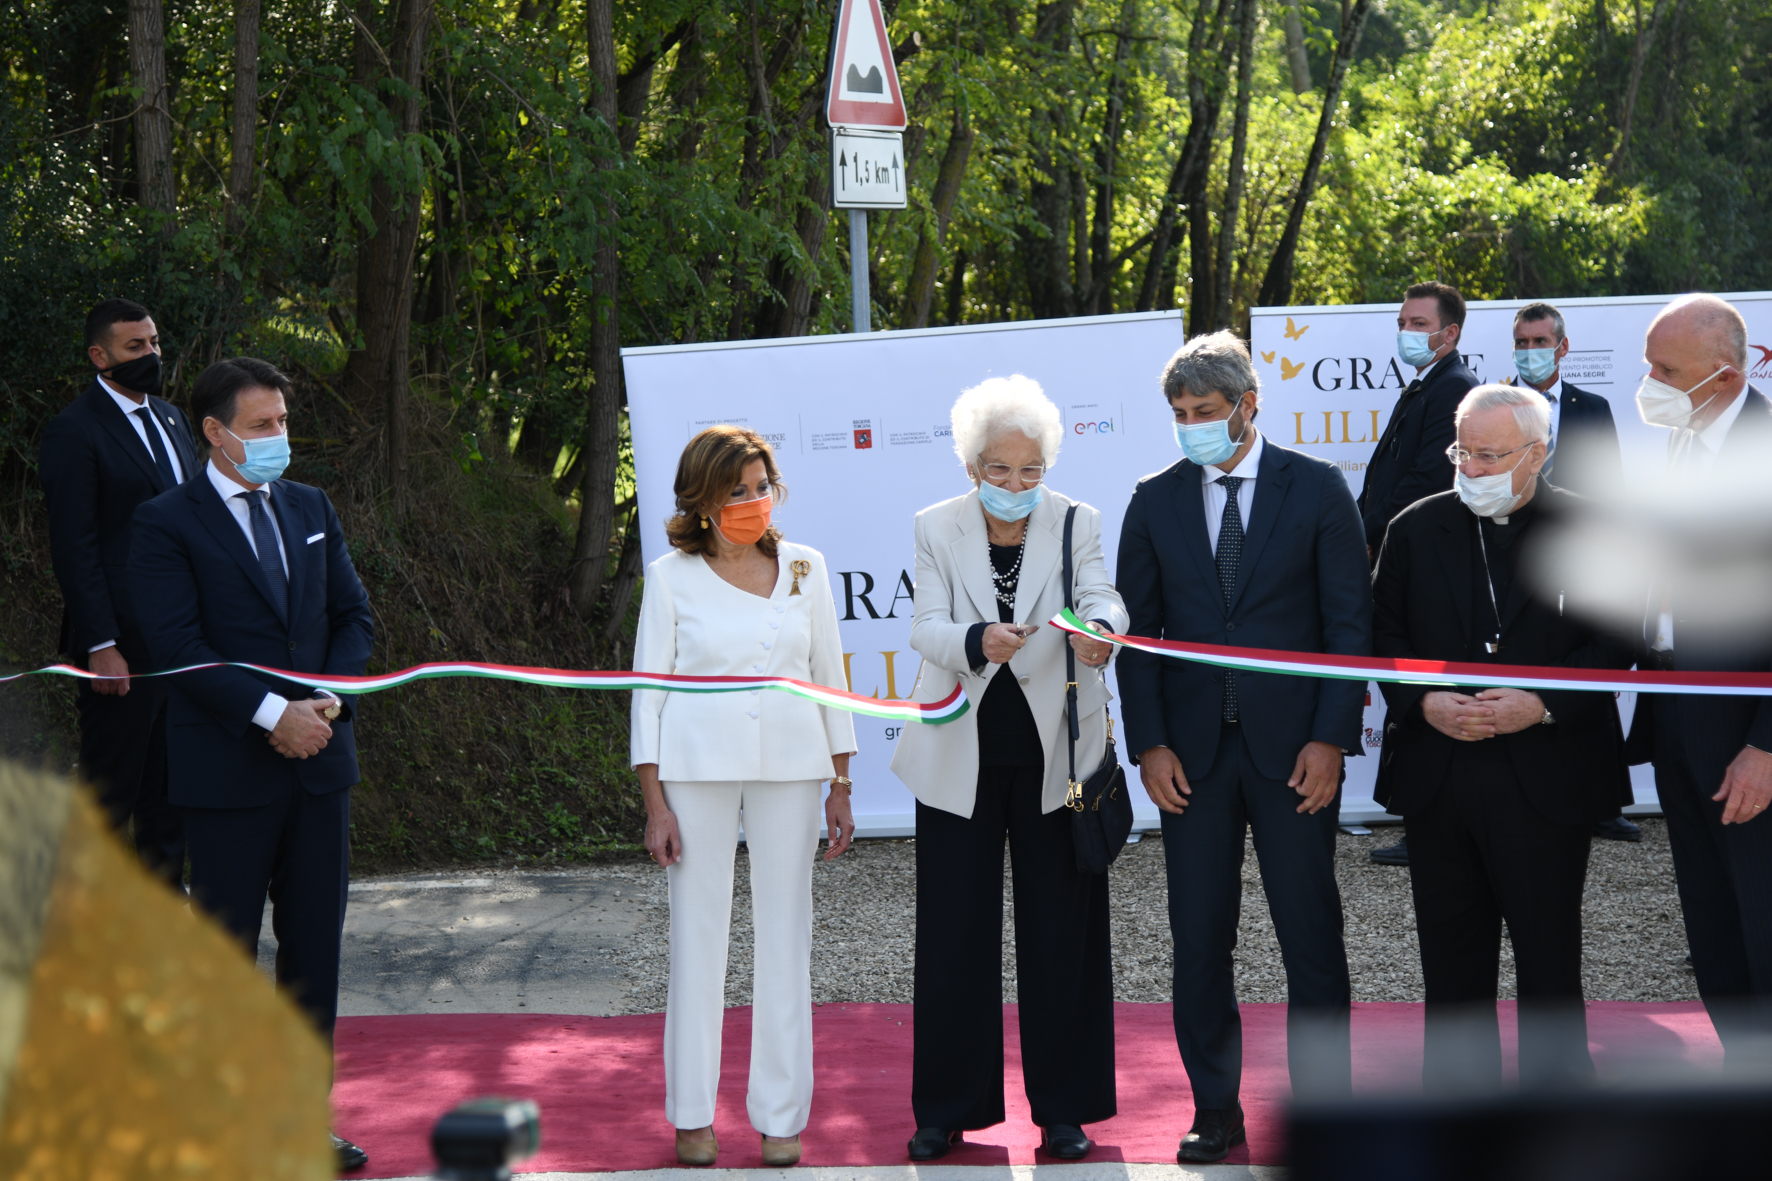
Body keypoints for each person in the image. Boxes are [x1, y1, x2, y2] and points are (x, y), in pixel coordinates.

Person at [1117, 331, 1372, 1162]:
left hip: (1295, 754)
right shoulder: (1153, 499)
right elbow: (1138, 637)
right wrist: (1149, 744)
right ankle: (1215, 1110)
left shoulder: (1318, 486)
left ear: (1248, 405)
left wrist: (1331, 737)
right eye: (1180, 412)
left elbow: (1349, 624)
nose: (1191, 424)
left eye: (1206, 410)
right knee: (1198, 939)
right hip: (1191, 759)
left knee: (1311, 934)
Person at [128, 357, 374, 1172]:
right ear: (214, 431)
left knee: (314, 952)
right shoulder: (166, 522)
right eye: (262, 425)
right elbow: (176, 645)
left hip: (320, 766)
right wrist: (273, 714)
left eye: (283, 422)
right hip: (226, 771)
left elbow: (352, 616)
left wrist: (328, 699)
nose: (279, 437)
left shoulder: (311, 506)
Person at [890, 376, 1126, 1163]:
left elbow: (1103, 596)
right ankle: (945, 1109)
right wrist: (973, 641)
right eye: (1000, 468)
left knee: (1063, 936)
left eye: (1031, 469)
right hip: (955, 752)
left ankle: (1064, 1109)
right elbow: (925, 625)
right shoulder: (935, 525)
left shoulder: (1077, 520)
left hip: (1059, 757)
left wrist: (1100, 629)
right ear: (971, 466)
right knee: (952, 936)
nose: (1017, 484)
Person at [1371, 384, 1634, 1089]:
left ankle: (1557, 1103)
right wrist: (1423, 701)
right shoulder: (1415, 527)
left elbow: (1618, 642)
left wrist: (1542, 703)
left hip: (1547, 771)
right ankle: (1460, 1106)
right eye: (1462, 452)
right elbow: (1382, 635)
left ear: (1537, 454)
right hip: (1441, 770)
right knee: (1451, 954)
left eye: (1490, 455)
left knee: (1549, 951)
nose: (1472, 468)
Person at [631, 426, 858, 1168]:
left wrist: (841, 780)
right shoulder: (670, 577)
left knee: (786, 936)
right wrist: (655, 803)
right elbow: (648, 692)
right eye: (737, 490)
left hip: (792, 767)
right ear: (702, 499)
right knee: (697, 936)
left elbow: (829, 675)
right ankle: (692, 1113)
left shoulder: (805, 568)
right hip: (694, 769)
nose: (755, 501)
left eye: (763, 486)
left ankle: (781, 1114)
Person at [1622, 293, 1772, 1053]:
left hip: (1748, 737)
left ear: (1723, 376)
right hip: (1677, 718)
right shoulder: (1684, 444)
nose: (1648, 383)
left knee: (1763, 918)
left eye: (1665, 370)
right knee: (1713, 922)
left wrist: (1767, 746)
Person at [39, 298, 198, 884]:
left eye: (154, 342)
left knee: (171, 790)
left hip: (185, 641)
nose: (151, 354)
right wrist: (102, 643)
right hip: (122, 648)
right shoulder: (74, 430)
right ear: (99, 356)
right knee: (112, 791)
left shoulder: (174, 420)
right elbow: (75, 548)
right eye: (135, 346)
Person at [1505, 301, 1638, 844]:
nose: (1530, 351)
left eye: (1540, 342)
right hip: (1514, 557)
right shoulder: (1496, 405)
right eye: (1522, 342)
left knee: (1589, 667)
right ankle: (1513, 787)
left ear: (1562, 347)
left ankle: (1603, 802)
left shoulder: (1592, 407)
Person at [1358, 282, 1479, 868]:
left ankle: (1430, 822)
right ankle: (1422, 818)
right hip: (1399, 549)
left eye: (1418, 323)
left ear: (1449, 333)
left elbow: (1425, 480)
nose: (1405, 331)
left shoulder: (1454, 387)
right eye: (1402, 322)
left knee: (1424, 679)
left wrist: (1364, 532)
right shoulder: (1427, 384)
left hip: (1420, 557)